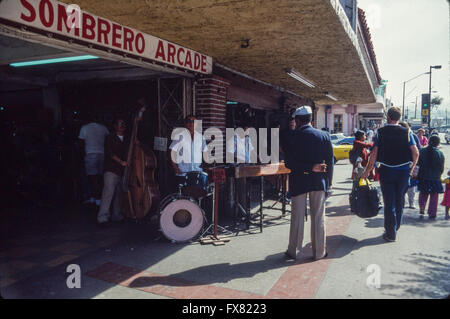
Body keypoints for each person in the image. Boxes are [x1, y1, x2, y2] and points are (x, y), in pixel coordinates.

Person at [361, 107, 419, 242]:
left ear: (388, 117)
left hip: (387, 171)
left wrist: (367, 172)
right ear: (399, 118)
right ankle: (395, 227)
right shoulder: (407, 132)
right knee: (400, 201)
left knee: (389, 203)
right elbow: (416, 153)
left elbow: (374, 155)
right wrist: (411, 169)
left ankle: (390, 233)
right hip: (404, 172)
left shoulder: (380, 132)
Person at [284, 106, 334, 260]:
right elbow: (330, 162)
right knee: (318, 217)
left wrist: (308, 168)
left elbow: (289, 163)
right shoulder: (324, 135)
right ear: (311, 119)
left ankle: (294, 251)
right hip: (318, 182)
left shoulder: (291, 136)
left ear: (298, 120)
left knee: (297, 217)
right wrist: (329, 182)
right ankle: (319, 252)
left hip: (299, 181)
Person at [97, 118, 128, 225]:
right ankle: (102, 218)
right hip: (111, 169)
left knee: (119, 195)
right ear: (115, 126)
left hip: (123, 170)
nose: (122, 126)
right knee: (108, 194)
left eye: (123, 124)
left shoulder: (127, 139)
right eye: (120, 124)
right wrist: (121, 162)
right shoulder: (110, 138)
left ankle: (117, 215)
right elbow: (109, 153)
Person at [78, 113, 109, 206]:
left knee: (92, 178)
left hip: (90, 154)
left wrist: (82, 155)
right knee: (99, 177)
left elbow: (81, 143)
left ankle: (97, 199)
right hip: (102, 154)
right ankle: (95, 198)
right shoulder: (104, 128)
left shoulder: (84, 128)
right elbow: (108, 140)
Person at [169, 115, 208, 187]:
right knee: (184, 197)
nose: (191, 123)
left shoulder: (201, 137)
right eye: (188, 121)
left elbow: (205, 153)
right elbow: (172, 152)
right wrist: (175, 168)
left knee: (197, 196)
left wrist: (206, 165)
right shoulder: (180, 136)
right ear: (185, 123)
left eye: (193, 121)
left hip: (197, 173)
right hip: (183, 174)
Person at [417, 135, 445, 219]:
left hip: (423, 176)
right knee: (434, 196)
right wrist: (439, 174)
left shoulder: (422, 151)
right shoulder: (440, 153)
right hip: (435, 177)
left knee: (423, 193)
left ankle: (422, 208)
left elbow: (418, 164)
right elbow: (441, 167)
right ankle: (432, 213)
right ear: (438, 143)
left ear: (429, 141)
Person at [400, 122, 421, 209]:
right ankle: (402, 202)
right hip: (401, 164)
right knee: (402, 185)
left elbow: (418, 151)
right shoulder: (397, 137)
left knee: (411, 185)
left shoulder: (413, 136)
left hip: (411, 163)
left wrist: (415, 164)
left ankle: (411, 203)